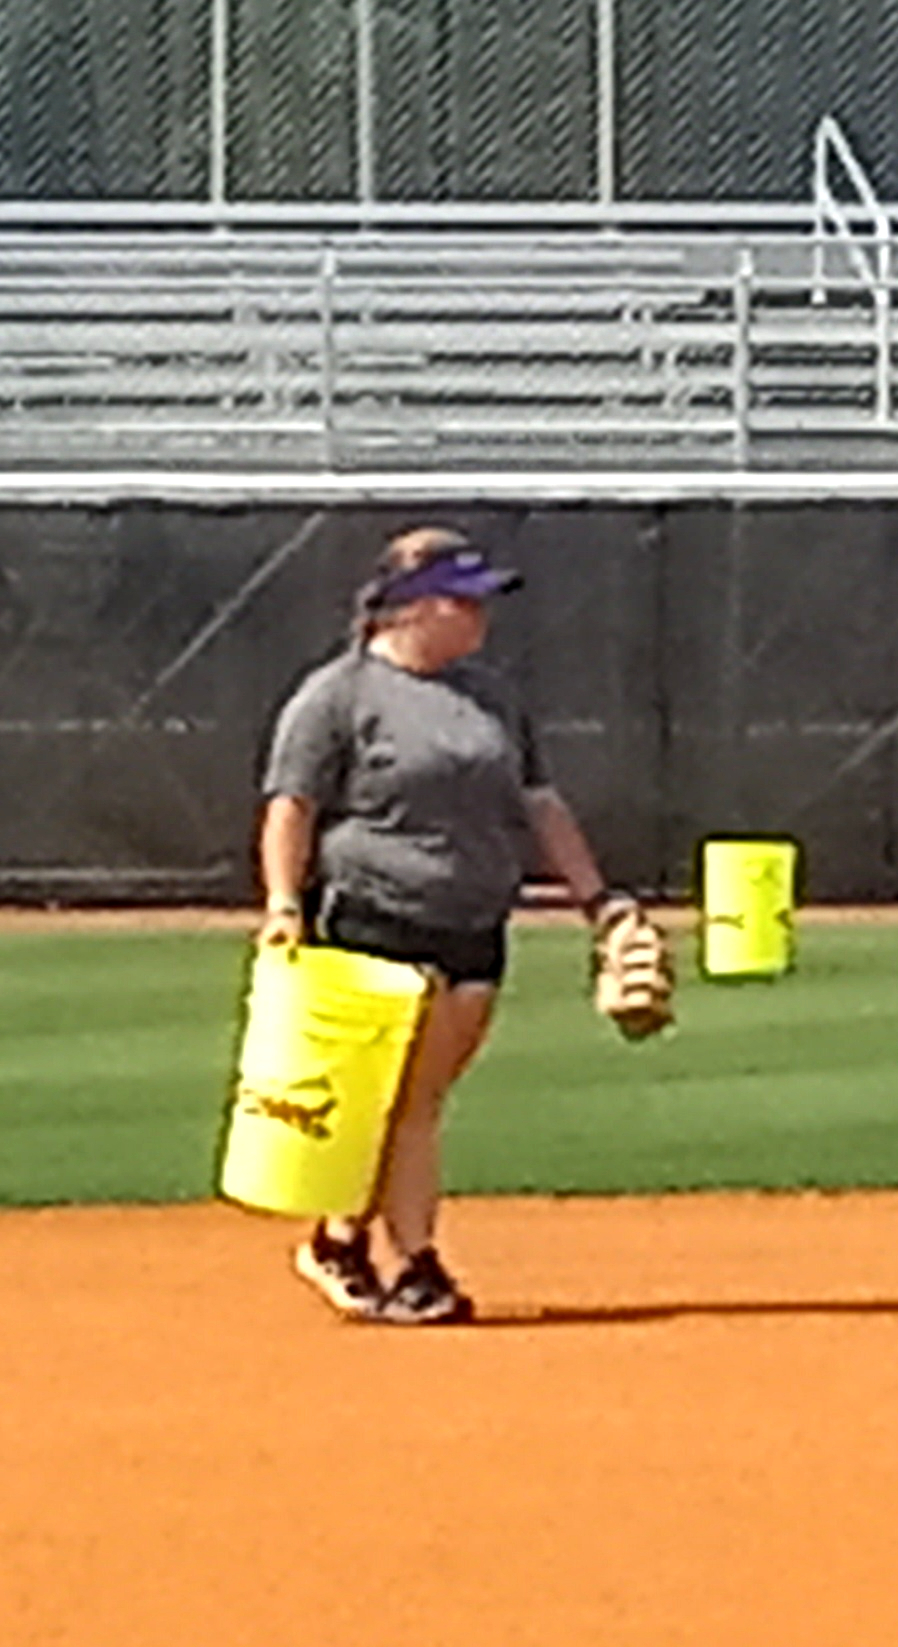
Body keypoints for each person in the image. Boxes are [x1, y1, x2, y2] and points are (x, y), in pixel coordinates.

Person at [256, 524, 632, 1325]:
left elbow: (539, 802)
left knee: (417, 1098)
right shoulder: (340, 694)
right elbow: (291, 805)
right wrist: (284, 903)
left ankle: (339, 1238)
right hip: (373, 912)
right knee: (406, 1098)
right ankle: (416, 1264)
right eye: (464, 601)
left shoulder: (491, 694)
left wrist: (598, 901)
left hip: (474, 917)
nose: (479, 616)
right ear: (412, 607)